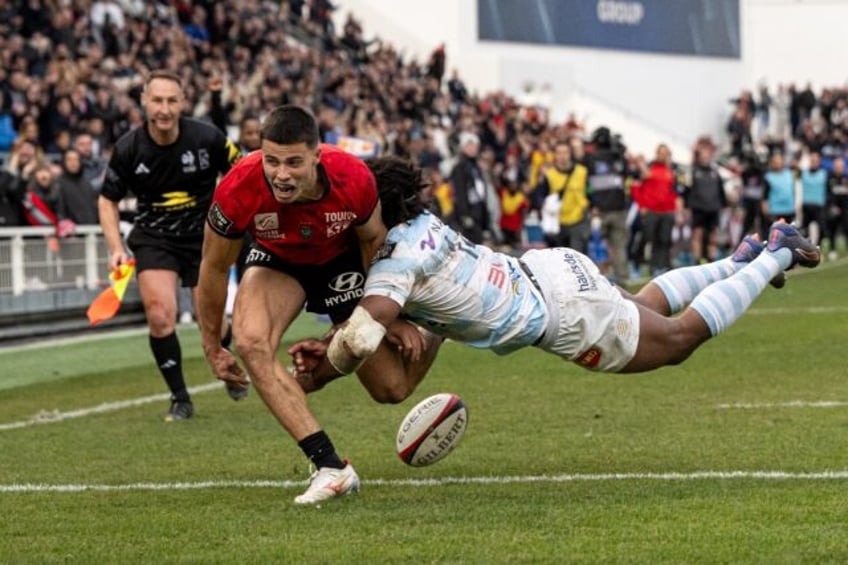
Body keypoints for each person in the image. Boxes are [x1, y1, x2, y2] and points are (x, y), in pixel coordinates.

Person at [290, 157, 819, 398]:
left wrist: (321, 372)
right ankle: (740, 258)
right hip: (547, 267)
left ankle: (775, 254)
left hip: (562, 314)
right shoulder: (421, 224)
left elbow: (363, 332)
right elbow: (403, 307)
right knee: (646, 307)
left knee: (678, 339)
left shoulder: (394, 260)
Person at [195, 105, 439, 505]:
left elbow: (372, 244)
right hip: (279, 261)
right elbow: (214, 266)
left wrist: (385, 316)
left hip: (341, 261)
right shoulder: (239, 185)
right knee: (251, 341)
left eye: (293, 162)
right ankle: (331, 467)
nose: (281, 174)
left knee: (392, 388)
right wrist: (211, 346)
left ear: (316, 155)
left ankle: (435, 330)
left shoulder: (353, 177)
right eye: (272, 161)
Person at [98, 70, 241, 422]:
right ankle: (180, 399)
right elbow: (107, 200)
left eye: (171, 100)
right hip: (154, 238)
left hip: (205, 239)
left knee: (215, 324)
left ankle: (224, 351)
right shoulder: (129, 148)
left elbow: (243, 173)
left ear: (183, 103)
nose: (164, 108)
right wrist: (115, 246)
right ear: (144, 101)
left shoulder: (208, 138)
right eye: (157, 100)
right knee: (161, 316)